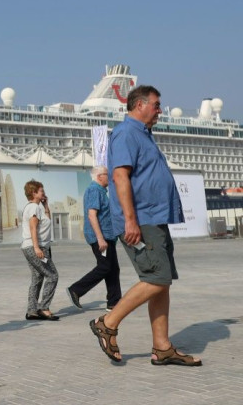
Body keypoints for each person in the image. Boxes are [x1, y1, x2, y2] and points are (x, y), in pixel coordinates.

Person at [90, 86, 202, 366]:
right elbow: (120, 177)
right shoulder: (127, 133)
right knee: (157, 278)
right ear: (139, 105)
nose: (160, 110)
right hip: (141, 220)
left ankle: (162, 348)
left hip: (154, 219)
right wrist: (130, 219)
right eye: (156, 105)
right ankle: (108, 322)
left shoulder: (143, 135)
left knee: (162, 283)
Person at [66, 166, 122, 312]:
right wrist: (100, 238)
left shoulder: (101, 191)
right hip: (101, 236)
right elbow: (92, 215)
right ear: (99, 176)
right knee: (105, 267)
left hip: (108, 235)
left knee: (113, 269)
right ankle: (76, 290)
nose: (109, 177)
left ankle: (114, 302)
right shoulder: (94, 190)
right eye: (107, 174)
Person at [20, 180, 59, 321]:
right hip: (35, 247)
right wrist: (37, 248)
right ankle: (44, 308)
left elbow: (46, 221)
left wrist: (46, 205)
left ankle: (32, 311)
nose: (44, 192)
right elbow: (33, 228)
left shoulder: (37, 207)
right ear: (33, 193)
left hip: (31, 246)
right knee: (52, 275)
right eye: (41, 190)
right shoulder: (33, 208)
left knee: (37, 278)